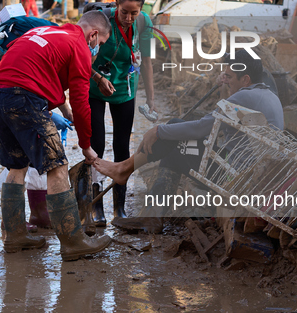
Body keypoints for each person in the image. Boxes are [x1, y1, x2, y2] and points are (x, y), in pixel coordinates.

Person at [94, 50, 284, 233]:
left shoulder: (245, 96)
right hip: (248, 173)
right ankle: (146, 206)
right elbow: (226, 117)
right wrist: (225, 88)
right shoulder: (268, 96)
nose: (225, 79)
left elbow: (202, 127)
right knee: (176, 143)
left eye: (229, 77)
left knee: (175, 134)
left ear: (246, 79)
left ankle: (129, 177)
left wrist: (158, 130)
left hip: (234, 177)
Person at [0, 10, 113, 260]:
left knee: (17, 165)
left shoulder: (47, 31)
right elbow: (81, 101)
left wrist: (63, 109)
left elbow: (38, 69)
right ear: (93, 35)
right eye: (98, 44)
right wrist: (86, 145)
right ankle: (72, 241)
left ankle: (15, 236)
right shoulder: (79, 46)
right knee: (57, 166)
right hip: (23, 97)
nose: (96, 49)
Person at [88, 0, 155, 227]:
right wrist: (97, 79)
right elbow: (83, 60)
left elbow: (146, 60)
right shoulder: (102, 21)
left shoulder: (144, 23)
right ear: (116, 4)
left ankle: (119, 208)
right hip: (96, 86)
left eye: (133, 13)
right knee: (97, 146)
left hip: (125, 89)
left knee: (122, 147)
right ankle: (96, 207)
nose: (128, 18)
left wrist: (150, 98)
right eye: (124, 11)